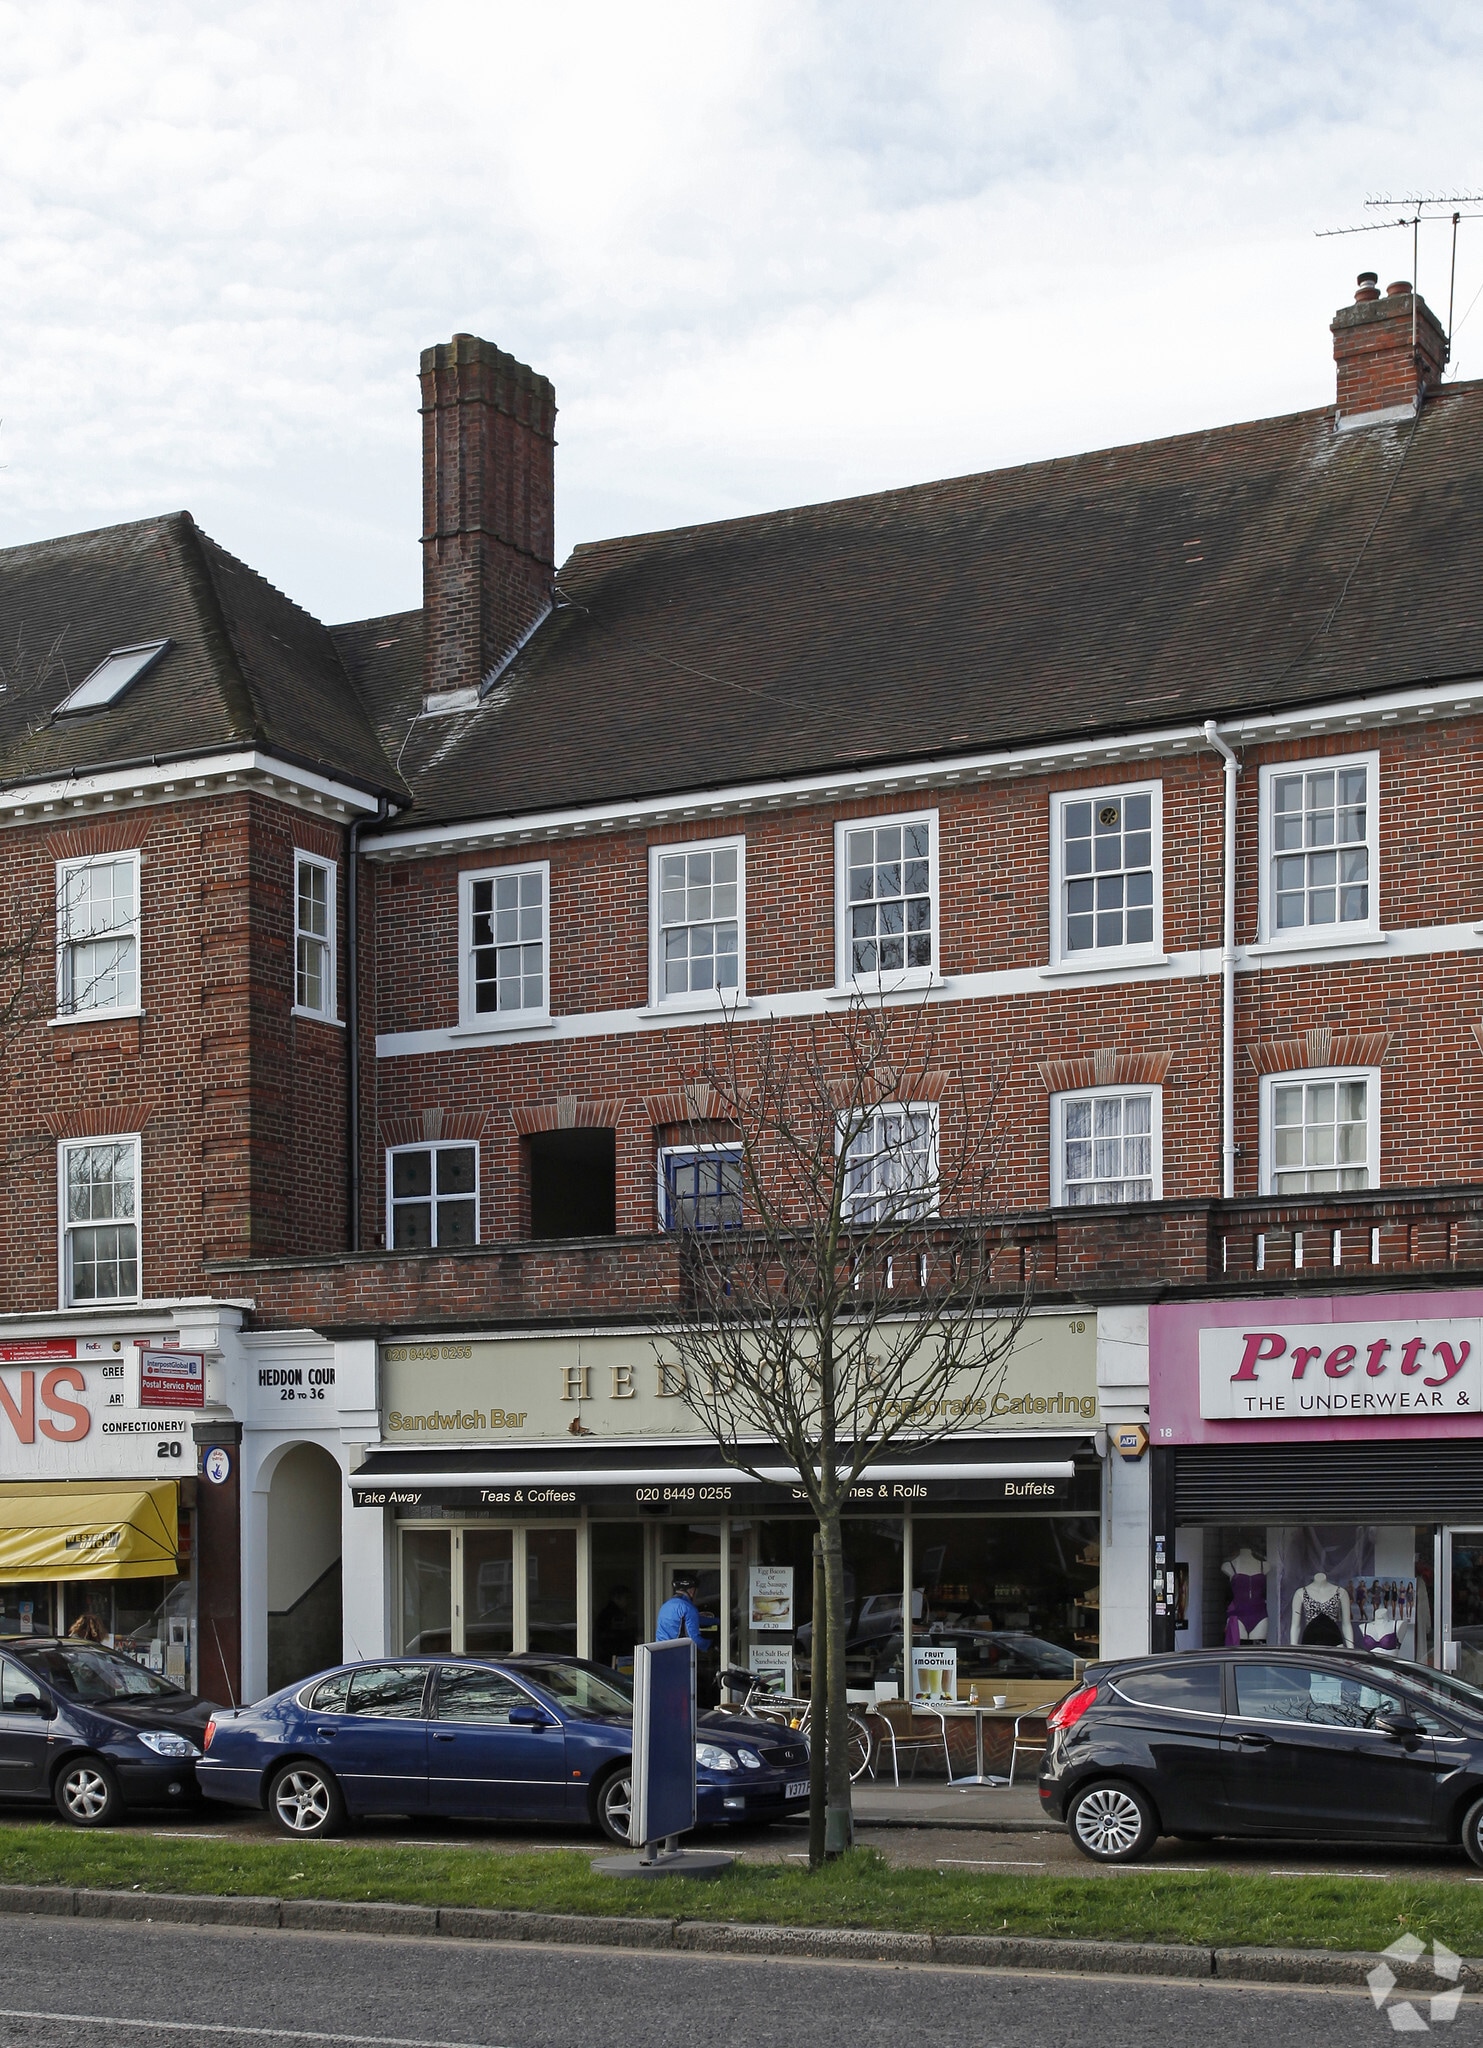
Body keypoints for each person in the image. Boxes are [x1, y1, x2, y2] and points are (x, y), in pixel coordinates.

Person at [654, 1573, 707, 1647]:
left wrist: (716, 1621)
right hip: (677, 1652)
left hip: (660, 1650)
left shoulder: (666, 1605)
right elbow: (694, 1638)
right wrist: (710, 1645)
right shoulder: (688, 1608)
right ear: (692, 1591)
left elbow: (691, 1620)